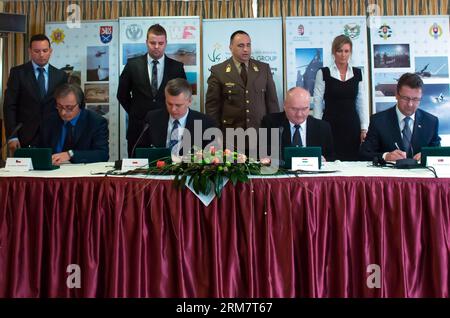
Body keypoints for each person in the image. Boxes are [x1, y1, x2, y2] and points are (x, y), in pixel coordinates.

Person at [117, 24, 187, 157]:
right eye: (152, 42)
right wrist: (135, 111)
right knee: (136, 168)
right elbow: (122, 94)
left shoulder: (176, 67)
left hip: (167, 125)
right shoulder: (132, 65)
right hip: (138, 127)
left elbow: (182, 96)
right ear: (146, 42)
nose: (156, 46)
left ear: (166, 43)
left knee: (166, 166)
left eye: (160, 43)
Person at [3, 34, 68, 155]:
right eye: (37, 51)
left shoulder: (61, 76)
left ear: (50, 51)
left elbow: (65, 106)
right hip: (24, 136)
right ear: (30, 51)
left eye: (45, 50)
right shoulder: (18, 73)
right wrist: (12, 136)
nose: (41, 55)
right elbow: (9, 106)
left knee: (53, 172)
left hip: (53, 135)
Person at [205, 30, 279, 132]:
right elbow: (212, 108)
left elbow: (272, 103)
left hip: (260, 133)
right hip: (231, 135)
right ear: (230, 47)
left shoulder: (263, 69)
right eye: (241, 45)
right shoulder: (218, 71)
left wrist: (274, 132)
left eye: (248, 45)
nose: (246, 49)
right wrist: (215, 133)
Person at [360, 73, 440, 162]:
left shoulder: (431, 122)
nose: (410, 104)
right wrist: (386, 156)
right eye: (406, 98)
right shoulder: (379, 121)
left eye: (415, 99)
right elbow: (364, 153)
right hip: (389, 174)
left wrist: (427, 155)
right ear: (396, 95)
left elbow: (439, 153)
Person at [313, 34, 368, 161]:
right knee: (329, 160)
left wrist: (364, 128)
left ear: (350, 52)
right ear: (333, 52)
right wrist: (316, 126)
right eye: (339, 51)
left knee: (353, 162)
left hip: (352, 125)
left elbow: (362, 102)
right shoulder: (323, 73)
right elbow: (317, 102)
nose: (343, 55)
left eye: (346, 51)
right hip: (329, 125)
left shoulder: (359, 73)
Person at [138, 78, 215, 155]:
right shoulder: (152, 118)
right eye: (169, 104)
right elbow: (142, 150)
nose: (173, 109)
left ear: (189, 101)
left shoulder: (205, 123)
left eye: (178, 105)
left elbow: (211, 156)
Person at [39, 83, 109, 164]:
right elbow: (41, 150)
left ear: (80, 104)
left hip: (82, 172)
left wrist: (70, 154)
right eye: (59, 106)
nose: (63, 112)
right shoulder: (49, 121)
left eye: (69, 107)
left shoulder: (96, 122)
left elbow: (102, 154)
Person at [261, 87, 335, 162]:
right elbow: (263, 154)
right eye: (294, 109)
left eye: (304, 109)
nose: (299, 114)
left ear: (309, 106)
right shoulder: (270, 123)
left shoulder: (322, 127)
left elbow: (331, 157)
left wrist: (324, 160)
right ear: (285, 106)